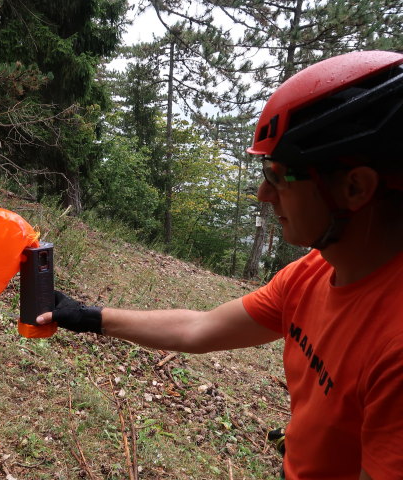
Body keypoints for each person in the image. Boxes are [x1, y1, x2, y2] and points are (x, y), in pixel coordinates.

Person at [36, 50, 403, 479]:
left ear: (356, 187)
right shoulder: (313, 273)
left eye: (278, 176)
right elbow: (200, 327)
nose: (265, 196)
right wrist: (87, 316)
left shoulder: (394, 347)